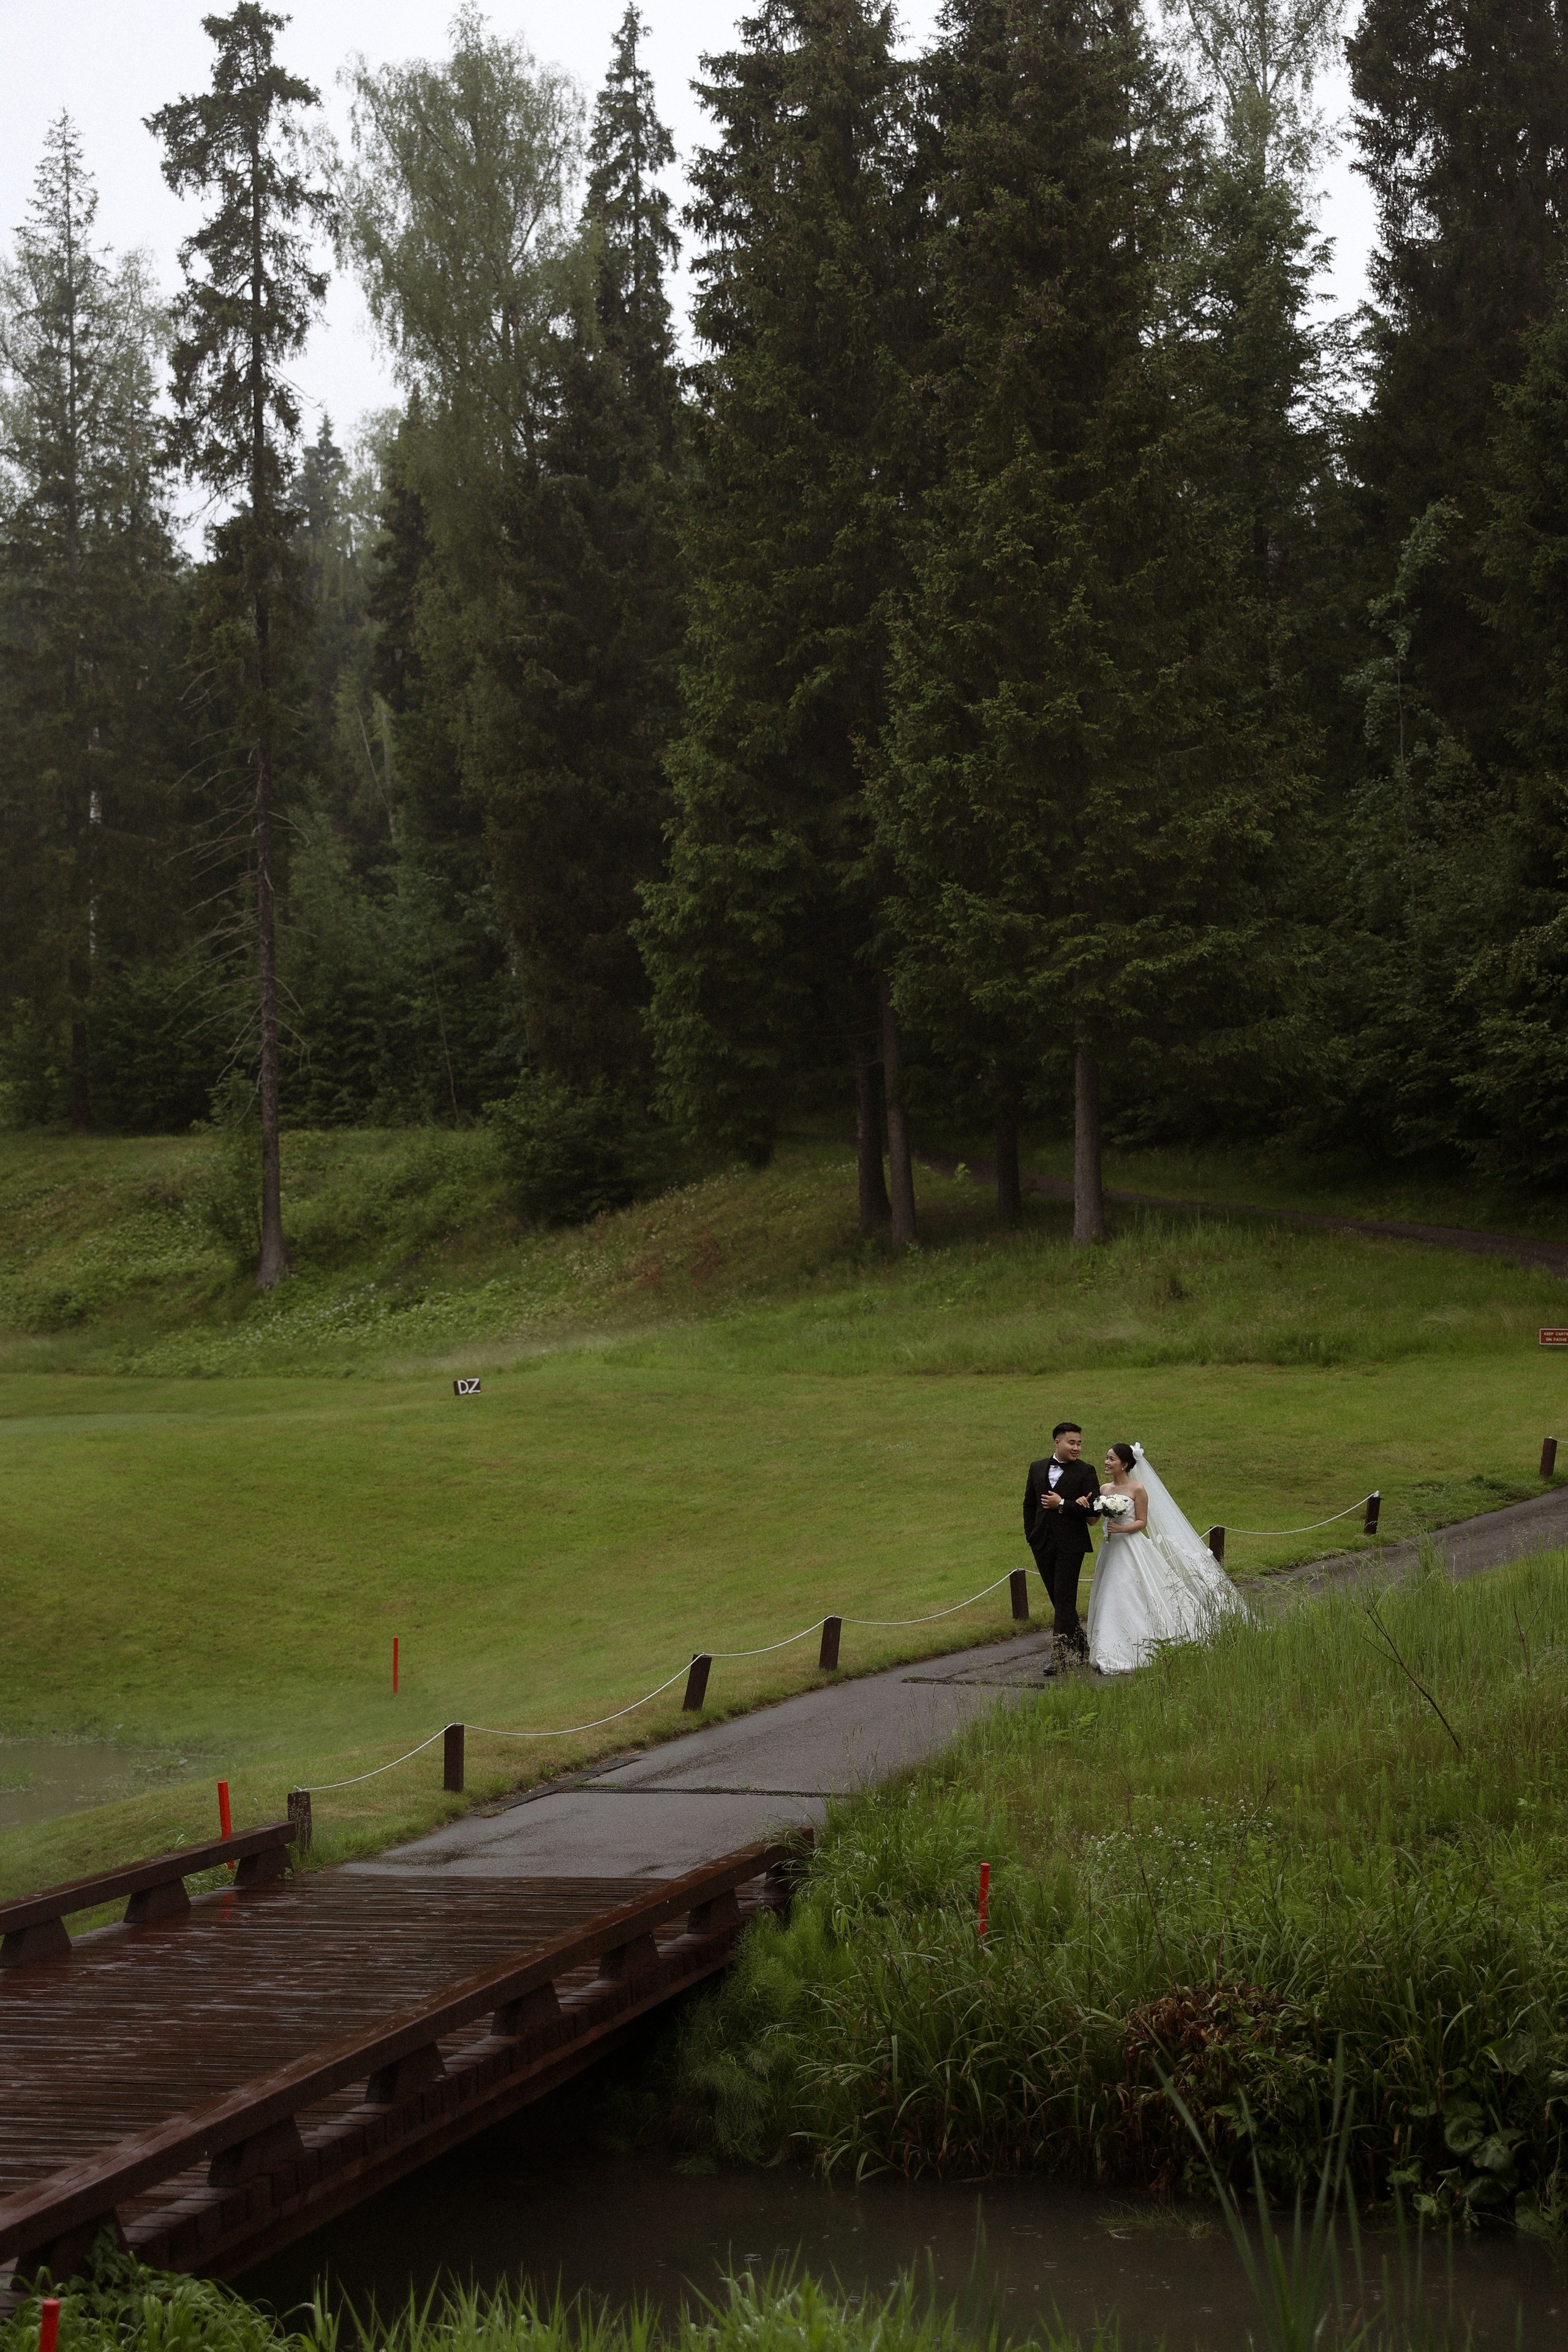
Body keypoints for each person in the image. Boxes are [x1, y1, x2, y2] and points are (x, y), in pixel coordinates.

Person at [1087, 1441, 1244, 1673]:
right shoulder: (1104, 1490)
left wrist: (1121, 1529)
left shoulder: (1137, 1489)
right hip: (1111, 1548)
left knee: (1129, 1588)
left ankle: (1138, 1643)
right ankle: (1108, 1646)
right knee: (1108, 1589)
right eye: (1107, 1458)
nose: (1107, 1462)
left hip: (1131, 1546)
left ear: (1125, 1464)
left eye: (1112, 1459)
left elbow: (1142, 1522)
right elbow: (1096, 1519)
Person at [1023, 1422, 1100, 1662]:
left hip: (1071, 1546)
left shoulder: (1086, 1472)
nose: (1077, 1448)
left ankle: (1059, 1656)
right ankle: (1081, 1647)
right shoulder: (1037, 1468)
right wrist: (1031, 1535)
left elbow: (1094, 1513)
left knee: (1065, 1597)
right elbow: (1029, 1504)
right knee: (1058, 1600)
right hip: (1042, 1543)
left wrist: (1063, 1504)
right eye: (1072, 1443)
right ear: (1057, 1442)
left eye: (1079, 1443)